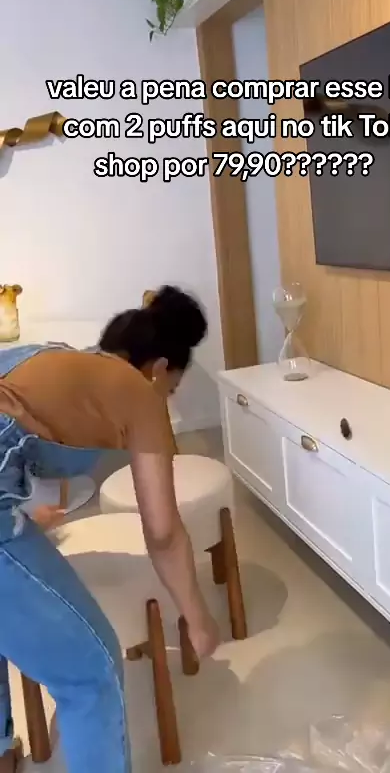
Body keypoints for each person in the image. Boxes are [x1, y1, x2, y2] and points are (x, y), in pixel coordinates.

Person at [0, 285, 220, 773]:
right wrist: (197, 617)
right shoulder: (138, 393)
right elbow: (163, 532)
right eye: (171, 390)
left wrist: (25, 510)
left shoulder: (57, 358)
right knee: (91, 673)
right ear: (159, 368)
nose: (166, 401)